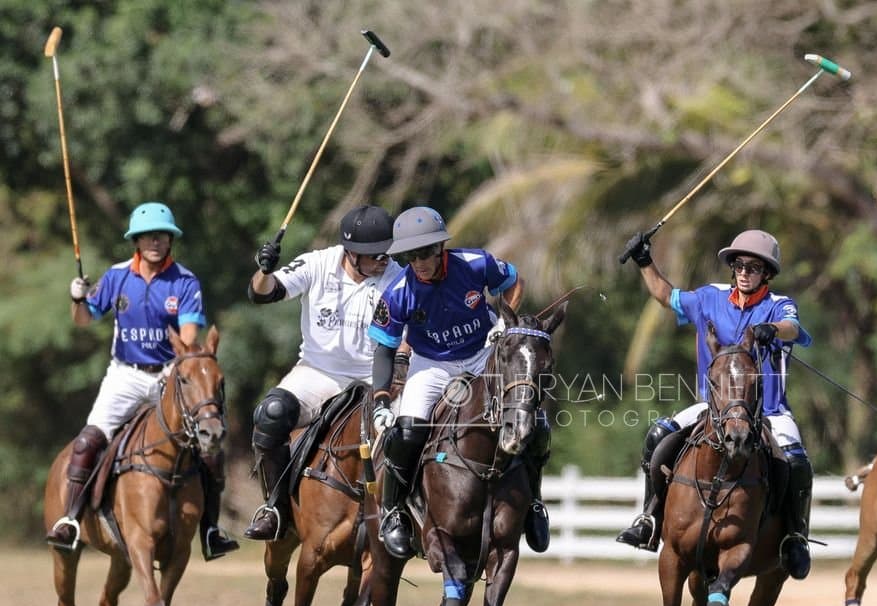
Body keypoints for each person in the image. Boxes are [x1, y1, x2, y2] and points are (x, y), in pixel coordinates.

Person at [614, 229, 814, 581]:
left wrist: (772, 329)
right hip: (714, 409)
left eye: (753, 267)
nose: (744, 272)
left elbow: (792, 329)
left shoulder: (779, 305)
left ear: (767, 273)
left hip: (768, 412)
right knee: (658, 435)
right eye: (739, 265)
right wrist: (644, 261)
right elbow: (665, 295)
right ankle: (649, 517)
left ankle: (795, 537)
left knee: (796, 461)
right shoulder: (710, 297)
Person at [46, 202, 239, 561]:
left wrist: (184, 366)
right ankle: (70, 520)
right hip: (125, 375)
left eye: (162, 235)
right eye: (148, 235)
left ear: (170, 240)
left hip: (170, 373)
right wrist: (77, 297)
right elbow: (84, 319)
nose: (155, 240)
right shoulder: (117, 276)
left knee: (209, 447)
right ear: (135, 240)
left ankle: (211, 530)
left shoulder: (184, 280)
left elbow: (189, 332)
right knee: (88, 441)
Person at [367, 206, 550, 560]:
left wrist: (504, 326)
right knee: (405, 433)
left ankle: (534, 504)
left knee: (535, 422)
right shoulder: (399, 291)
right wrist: (379, 400)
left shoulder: (475, 264)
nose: (418, 261)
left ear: (440, 248)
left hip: (483, 354)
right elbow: (384, 350)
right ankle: (393, 511)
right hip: (431, 364)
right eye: (409, 255)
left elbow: (515, 284)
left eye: (424, 252)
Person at [242, 205, 404, 541]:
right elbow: (263, 293)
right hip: (319, 373)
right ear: (351, 253)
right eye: (375, 256)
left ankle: (401, 518)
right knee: (270, 414)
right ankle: (275, 508)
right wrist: (264, 269)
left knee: (407, 435)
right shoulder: (319, 264)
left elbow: (410, 337)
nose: (383, 262)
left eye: (386, 254)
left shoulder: (397, 277)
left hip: (376, 379)